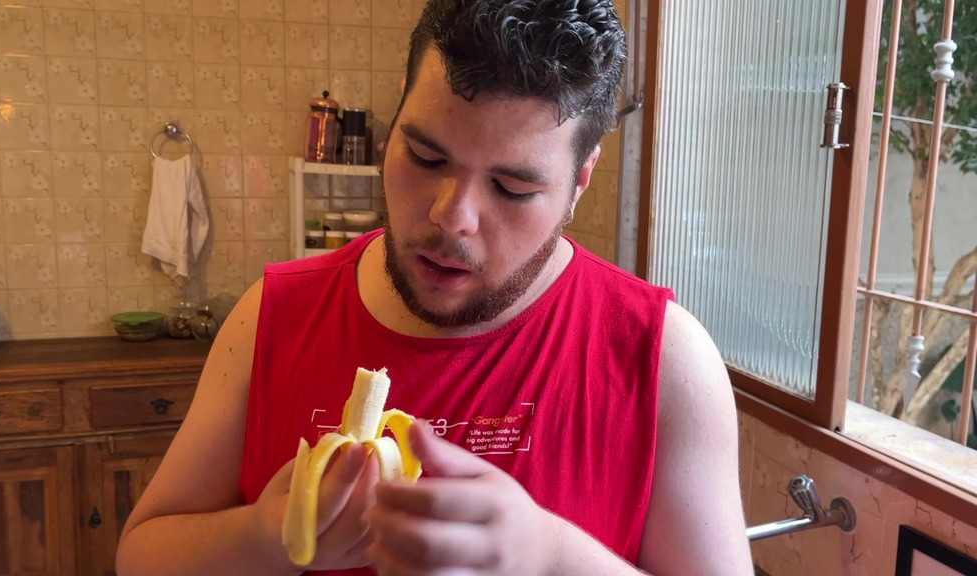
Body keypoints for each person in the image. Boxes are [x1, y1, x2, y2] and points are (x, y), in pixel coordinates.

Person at [116, 0, 754, 574]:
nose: (453, 217)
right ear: (398, 115)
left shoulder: (665, 359)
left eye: (513, 188)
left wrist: (550, 555)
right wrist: (264, 537)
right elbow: (141, 553)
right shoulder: (273, 316)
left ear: (579, 181)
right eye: (425, 157)